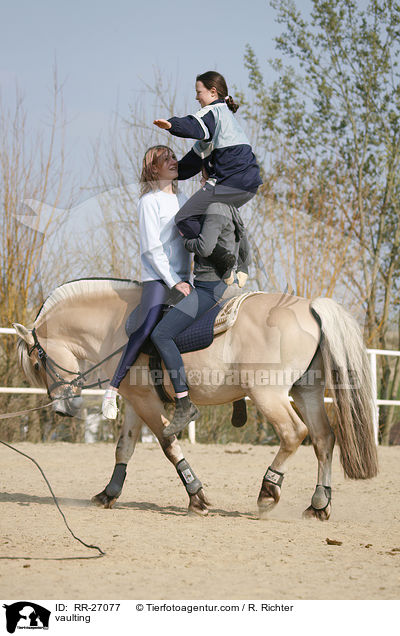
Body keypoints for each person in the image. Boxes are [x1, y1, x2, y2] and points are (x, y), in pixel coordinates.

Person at [102, 145, 192, 419]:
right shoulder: (149, 202)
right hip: (158, 278)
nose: (174, 161)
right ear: (154, 169)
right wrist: (174, 281)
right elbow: (152, 249)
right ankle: (113, 389)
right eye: (166, 159)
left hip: (184, 278)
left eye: (174, 157)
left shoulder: (183, 198)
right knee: (145, 327)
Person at [154, 70, 262, 287]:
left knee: (184, 219)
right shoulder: (226, 123)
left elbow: (194, 125)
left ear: (213, 92)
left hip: (230, 181)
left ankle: (222, 259)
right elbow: (192, 162)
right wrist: (171, 172)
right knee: (220, 218)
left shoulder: (215, 111)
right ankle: (241, 265)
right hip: (249, 184)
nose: (196, 98)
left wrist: (172, 125)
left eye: (198, 92)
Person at [150, 198, 241, 438]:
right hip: (231, 287)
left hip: (207, 289)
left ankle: (183, 404)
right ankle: (239, 398)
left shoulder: (211, 207)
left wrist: (186, 238)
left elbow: (205, 247)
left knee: (161, 334)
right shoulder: (233, 209)